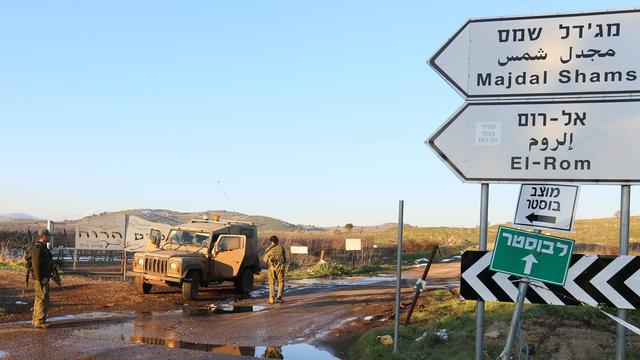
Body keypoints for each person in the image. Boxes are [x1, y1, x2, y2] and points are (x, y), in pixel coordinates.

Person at [31, 229, 54, 329]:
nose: (50, 238)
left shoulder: (42, 247)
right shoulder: (38, 248)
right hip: (41, 278)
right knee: (42, 298)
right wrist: (40, 279)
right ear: (43, 236)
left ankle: (36, 320)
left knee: (39, 298)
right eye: (48, 236)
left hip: (43, 277)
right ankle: (40, 321)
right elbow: (35, 265)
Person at [262, 235, 286, 304]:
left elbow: (265, 260)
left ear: (271, 241)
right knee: (281, 282)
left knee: (271, 283)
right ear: (277, 240)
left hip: (272, 269)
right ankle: (279, 296)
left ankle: (271, 299)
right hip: (280, 268)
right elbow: (284, 258)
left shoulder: (268, 249)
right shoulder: (281, 248)